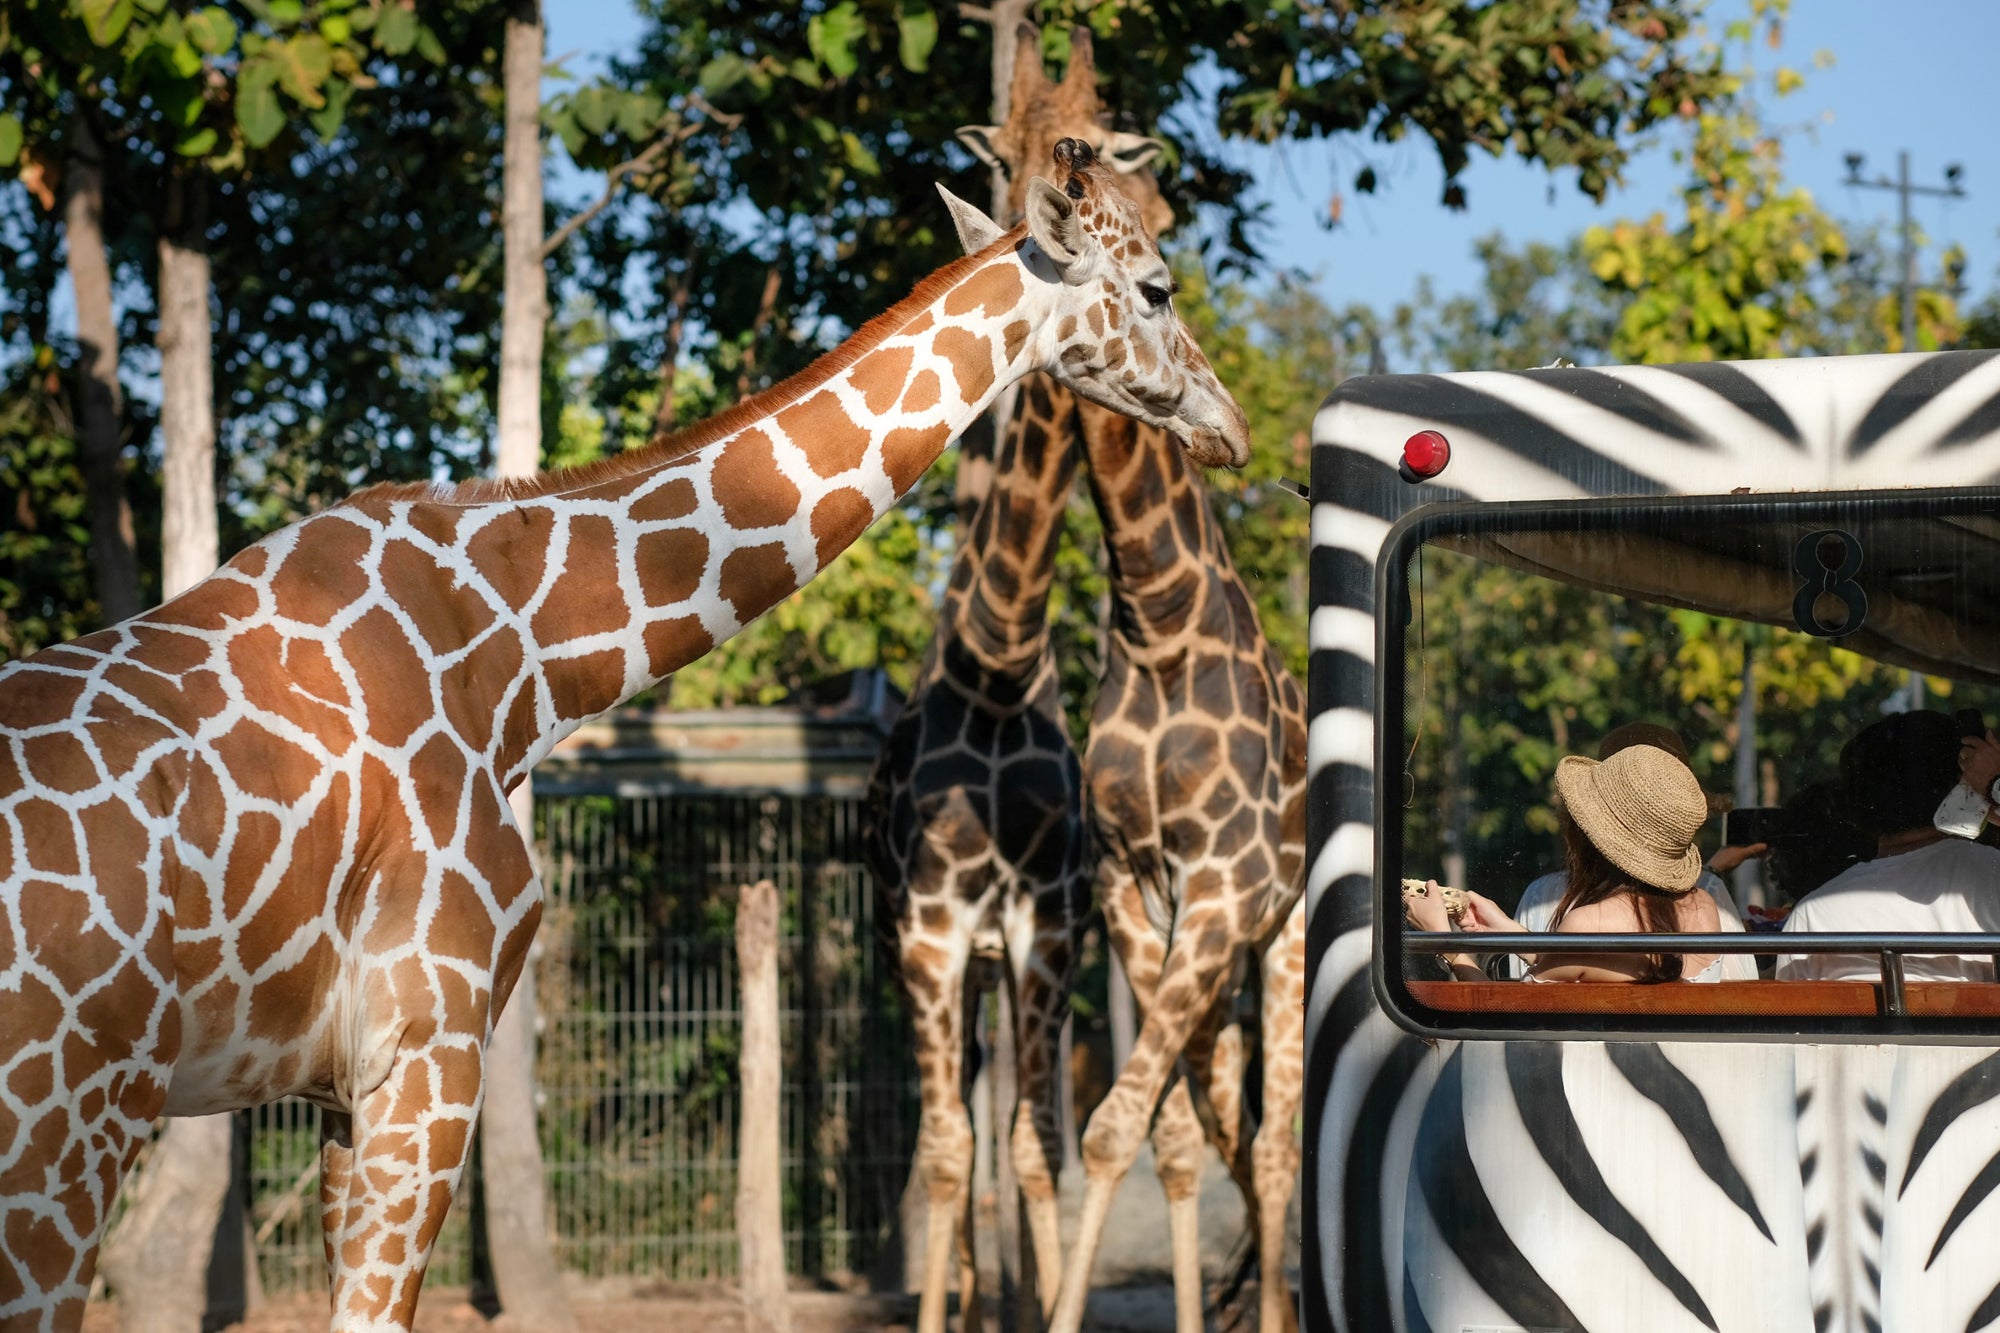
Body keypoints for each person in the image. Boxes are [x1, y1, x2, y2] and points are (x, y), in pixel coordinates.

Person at [1408, 743, 1723, 982]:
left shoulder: (1591, 924)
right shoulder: (1702, 906)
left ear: (1588, 837)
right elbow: (1588, 963)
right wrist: (1509, 931)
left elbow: (1503, 1021)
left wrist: (1443, 940)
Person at [1506, 722, 1757, 980]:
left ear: (1589, 835)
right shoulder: (1704, 908)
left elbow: (1520, 1015)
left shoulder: (1585, 926)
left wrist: (1463, 957)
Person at [1777, 710, 2000, 981]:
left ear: (1857, 805)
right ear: (1962, 783)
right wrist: (1993, 785)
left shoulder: (1814, 915)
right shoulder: (1991, 875)